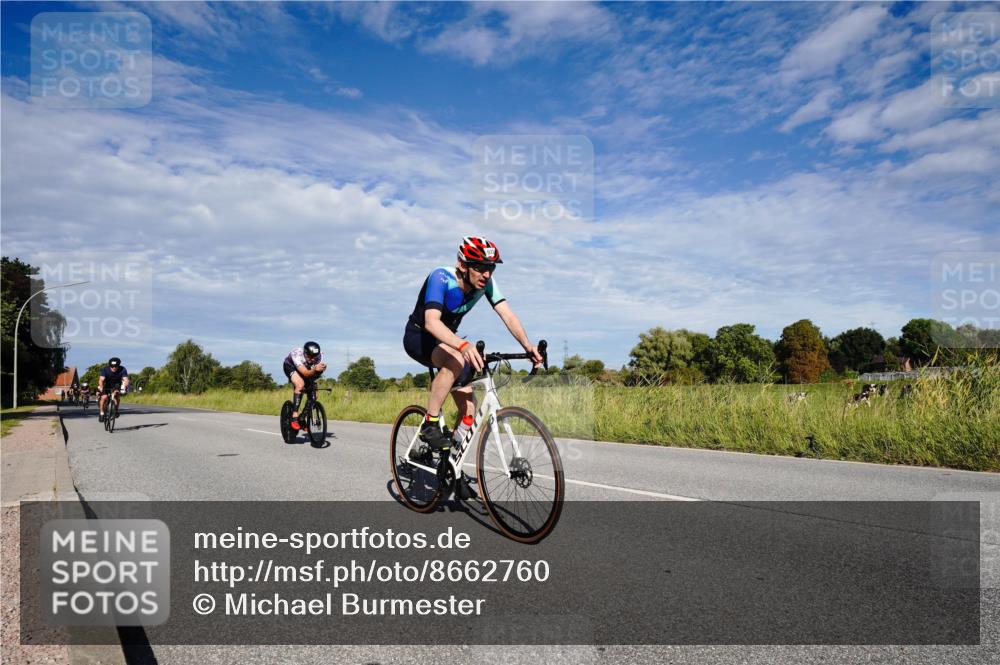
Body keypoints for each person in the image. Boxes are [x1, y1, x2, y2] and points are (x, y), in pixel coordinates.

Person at [404, 236, 542, 452]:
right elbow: (432, 322)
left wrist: (528, 346)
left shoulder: (486, 284)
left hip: (448, 342)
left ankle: (451, 467)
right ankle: (430, 424)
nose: (486, 275)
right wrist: (463, 346)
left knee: (469, 408)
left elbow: (508, 315)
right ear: (462, 265)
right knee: (458, 358)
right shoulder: (441, 277)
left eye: (491, 268)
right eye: (480, 268)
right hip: (419, 336)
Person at [282, 342, 326, 430]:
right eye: (309, 357)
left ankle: (302, 417)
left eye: (314, 357)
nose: (312, 359)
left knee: (314, 394)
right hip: (291, 367)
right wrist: (314, 369)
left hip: (307, 370)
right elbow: (305, 373)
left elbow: (315, 374)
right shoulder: (297, 354)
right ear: (304, 353)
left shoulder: (319, 356)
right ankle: (295, 415)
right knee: (300, 384)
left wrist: (319, 372)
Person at [97, 357, 129, 422]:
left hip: (117, 385)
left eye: (116, 366)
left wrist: (124, 387)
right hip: (107, 385)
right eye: (112, 366)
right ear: (110, 366)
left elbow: (126, 380)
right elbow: (101, 380)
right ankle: (101, 413)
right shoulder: (105, 369)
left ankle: (116, 410)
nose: (114, 368)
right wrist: (101, 387)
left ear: (118, 365)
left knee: (117, 394)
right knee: (104, 397)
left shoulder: (122, 369)